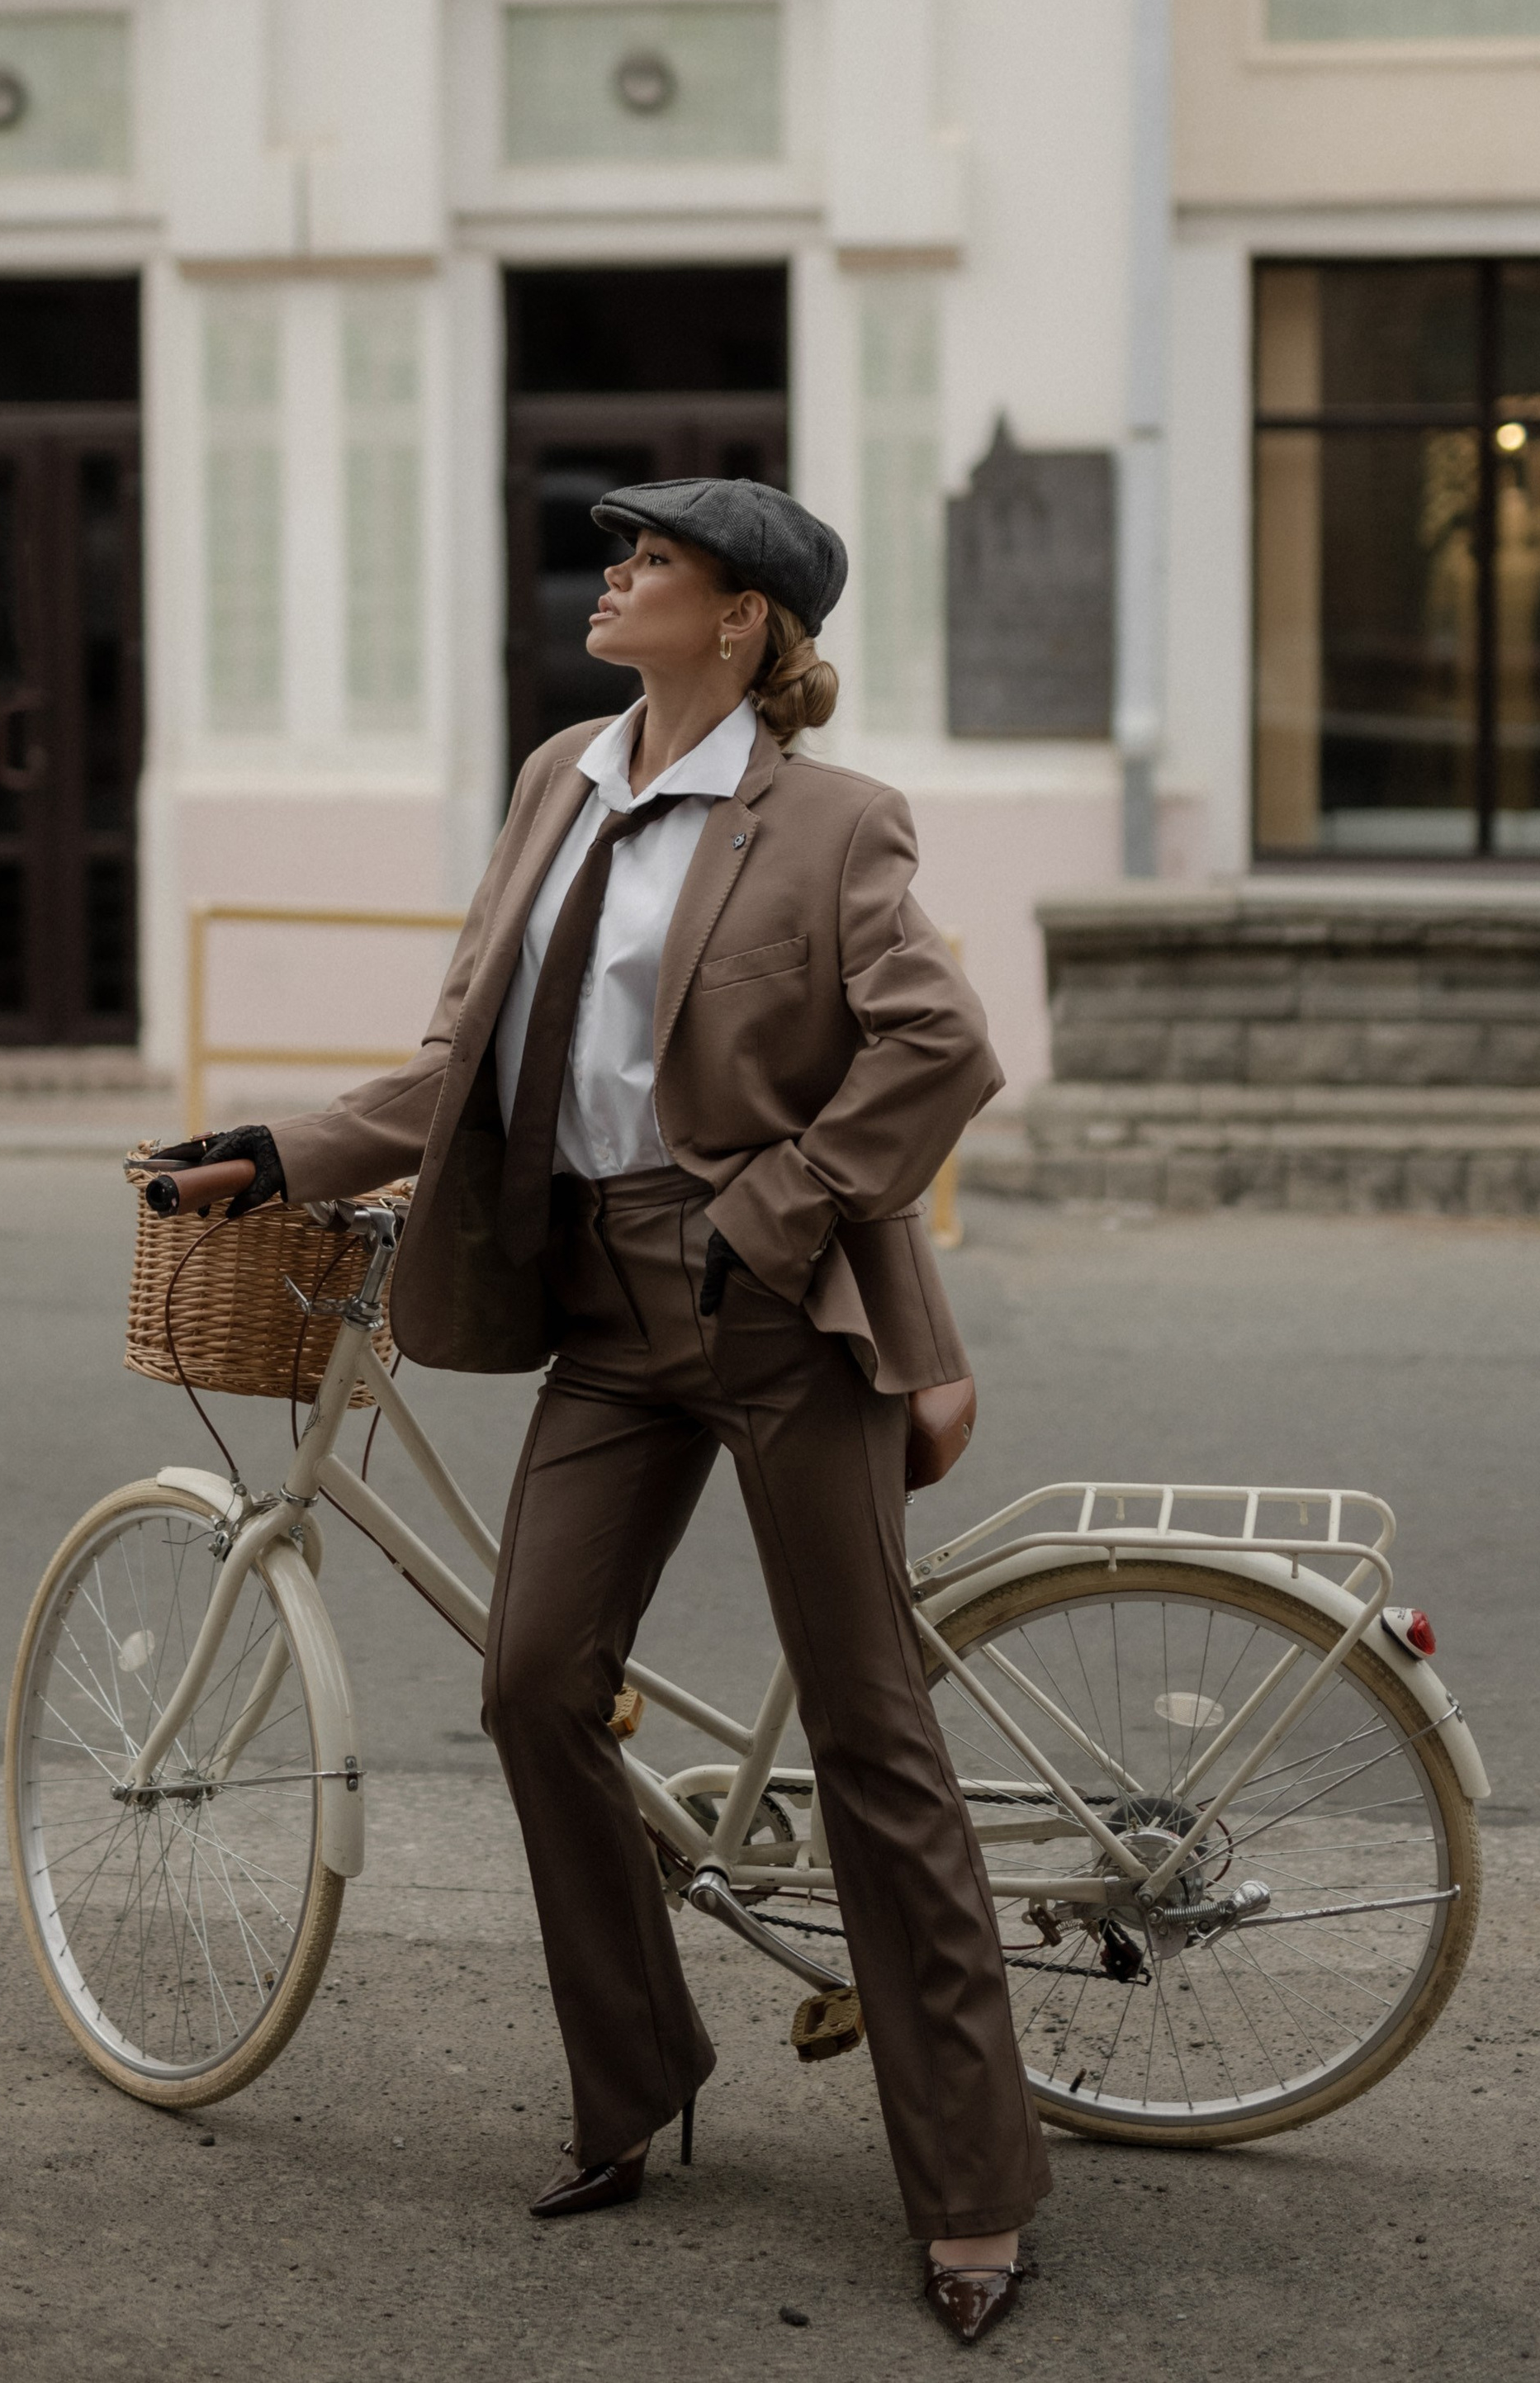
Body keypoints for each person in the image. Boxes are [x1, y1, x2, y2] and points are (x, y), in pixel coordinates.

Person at [173, 478, 1048, 2345]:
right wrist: (282, 1147)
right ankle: (640, 2078)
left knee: (872, 1737)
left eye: (656, 562)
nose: (616, 576)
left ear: (740, 622)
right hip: (600, 1306)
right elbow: (462, 1056)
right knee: (531, 1678)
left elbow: (941, 1043)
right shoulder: (557, 781)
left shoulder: (829, 822)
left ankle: (974, 2191)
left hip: (772, 1310)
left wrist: (775, 1209)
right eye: (619, 554)